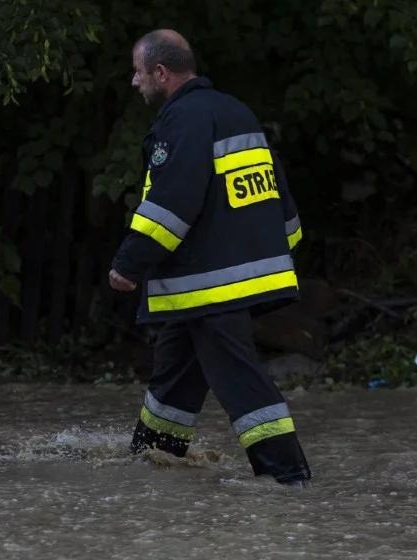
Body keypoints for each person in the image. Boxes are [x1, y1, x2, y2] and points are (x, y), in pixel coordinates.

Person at [109, 29, 311, 486]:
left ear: (160, 73)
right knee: (175, 375)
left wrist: (129, 263)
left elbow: (172, 202)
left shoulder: (181, 121)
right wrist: (283, 249)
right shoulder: (234, 111)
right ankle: (151, 460)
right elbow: (276, 192)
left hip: (208, 281)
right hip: (226, 275)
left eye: (138, 73)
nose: (134, 82)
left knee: (238, 377)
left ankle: (287, 477)